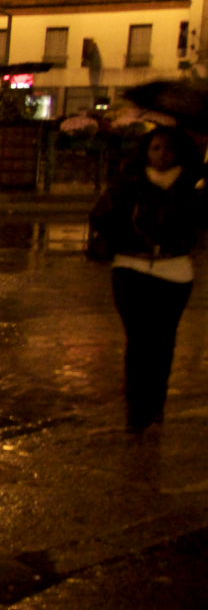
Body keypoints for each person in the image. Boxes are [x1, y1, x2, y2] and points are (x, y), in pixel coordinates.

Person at [89, 126, 206, 434]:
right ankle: (137, 411)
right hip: (131, 269)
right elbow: (101, 217)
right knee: (139, 341)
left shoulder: (193, 186)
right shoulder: (129, 184)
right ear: (146, 151)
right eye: (156, 148)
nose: (162, 155)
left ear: (179, 153)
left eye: (168, 149)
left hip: (175, 272)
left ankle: (156, 405)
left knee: (163, 342)